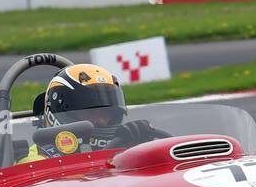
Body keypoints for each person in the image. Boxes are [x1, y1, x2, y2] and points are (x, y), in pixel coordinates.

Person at [18, 63, 167, 162]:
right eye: (90, 113)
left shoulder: (125, 150)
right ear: (58, 113)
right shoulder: (37, 160)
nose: (101, 120)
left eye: (108, 113)